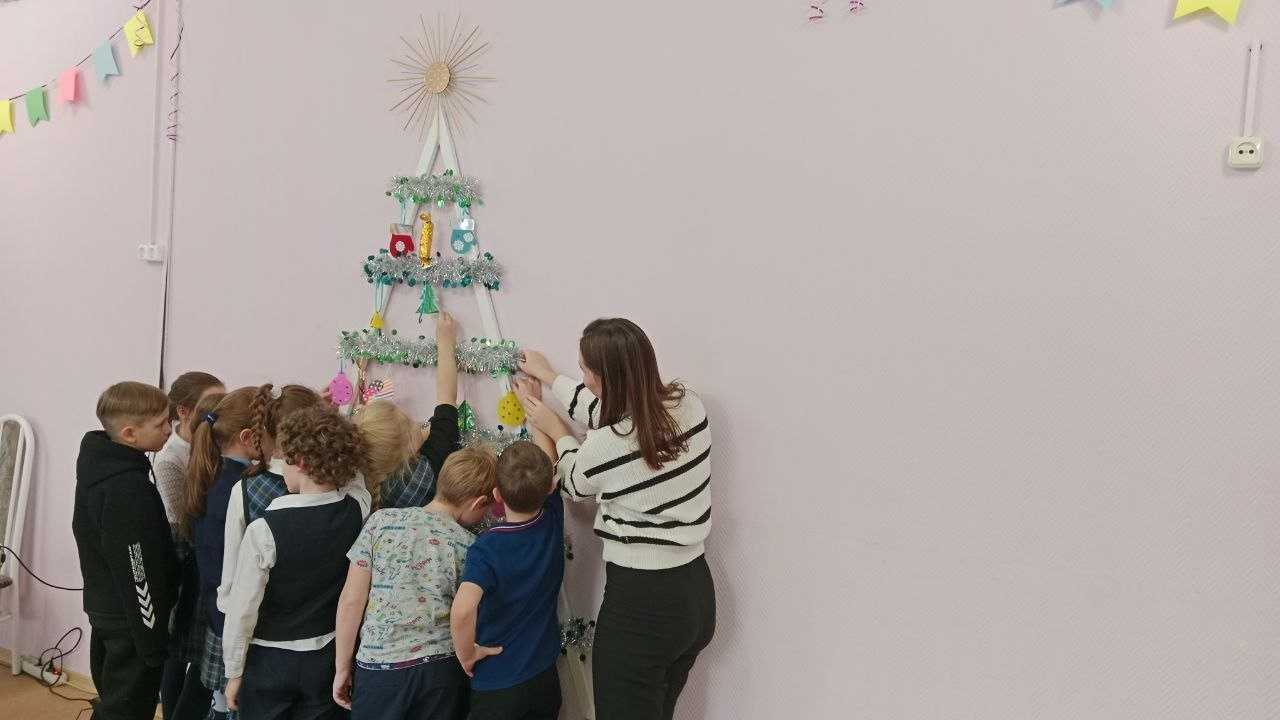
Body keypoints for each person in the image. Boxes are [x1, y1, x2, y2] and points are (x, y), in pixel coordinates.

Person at [517, 318, 715, 720]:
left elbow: (573, 481)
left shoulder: (608, 447)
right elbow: (608, 414)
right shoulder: (687, 404)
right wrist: (550, 377)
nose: (583, 378)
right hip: (695, 596)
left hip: (643, 606)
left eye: (584, 371)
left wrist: (556, 430)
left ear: (603, 378)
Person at [221, 407, 372, 720]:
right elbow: (356, 477)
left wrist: (234, 672)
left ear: (301, 463)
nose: (280, 468)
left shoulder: (263, 531)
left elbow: (242, 610)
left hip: (269, 662)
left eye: (283, 460)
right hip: (326, 658)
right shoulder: (357, 509)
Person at [332, 447, 498, 720]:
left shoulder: (380, 522)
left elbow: (351, 600)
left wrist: (342, 668)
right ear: (478, 502)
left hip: (379, 669)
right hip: (439, 672)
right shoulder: (471, 546)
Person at [73, 381, 181, 720]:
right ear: (130, 434)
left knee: (115, 699)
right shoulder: (127, 488)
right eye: (161, 424)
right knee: (127, 708)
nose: (169, 430)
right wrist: (151, 639)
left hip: (107, 608)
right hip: (132, 621)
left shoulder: (100, 466)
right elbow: (137, 567)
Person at [451, 441, 565, 720]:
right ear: (550, 487)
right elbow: (550, 459)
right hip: (544, 678)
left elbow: (463, 610)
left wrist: (466, 654)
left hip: (497, 685)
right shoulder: (552, 516)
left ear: (496, 495)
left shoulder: (487, 548)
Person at [184, 387, 261, 720]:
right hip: (226, 617)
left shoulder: (214, 473)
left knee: (218, 702)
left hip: (217, 610)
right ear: (248, 437)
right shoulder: (237, 487)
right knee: (225, 706)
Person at [154, 371, 225, 720]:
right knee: (180, 652)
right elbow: (180, 522)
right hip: (187, 562)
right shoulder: (170, 459)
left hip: (203, 557)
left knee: (196, 655)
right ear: (184, 411)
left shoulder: (212, 447)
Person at [356, 312, 462, 509]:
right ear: (409, 452)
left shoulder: (364, 485)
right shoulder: (429, 467)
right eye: (411, 424)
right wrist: (445, 342)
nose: (419, 424)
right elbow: (447, 397)